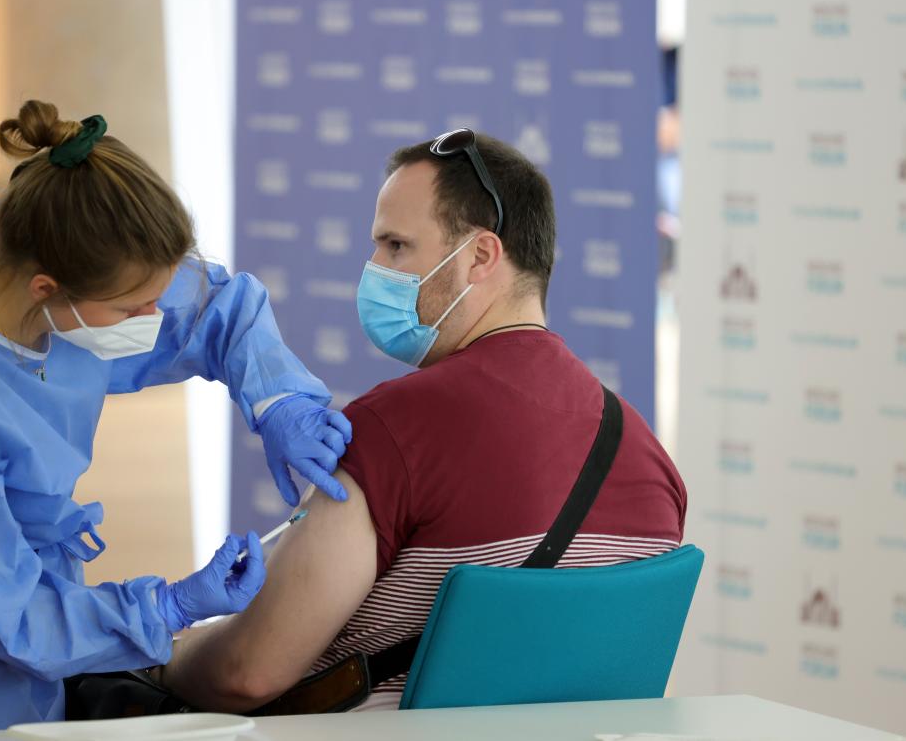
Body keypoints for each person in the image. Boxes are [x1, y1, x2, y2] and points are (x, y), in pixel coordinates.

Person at [0, 101, 352, 732]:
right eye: (131, 311)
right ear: (47, 290)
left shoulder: (37, 244)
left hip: (42, 647)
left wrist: (278, 398)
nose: (155, 320)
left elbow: (212, 307)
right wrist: (166, 607)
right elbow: (4, 617)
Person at [157, 130, 686, 711]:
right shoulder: (648, 458)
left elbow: (245, 672)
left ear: (481, 256)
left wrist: (156, 654)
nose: (374, 269)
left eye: (395, 246)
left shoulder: (397, 427)